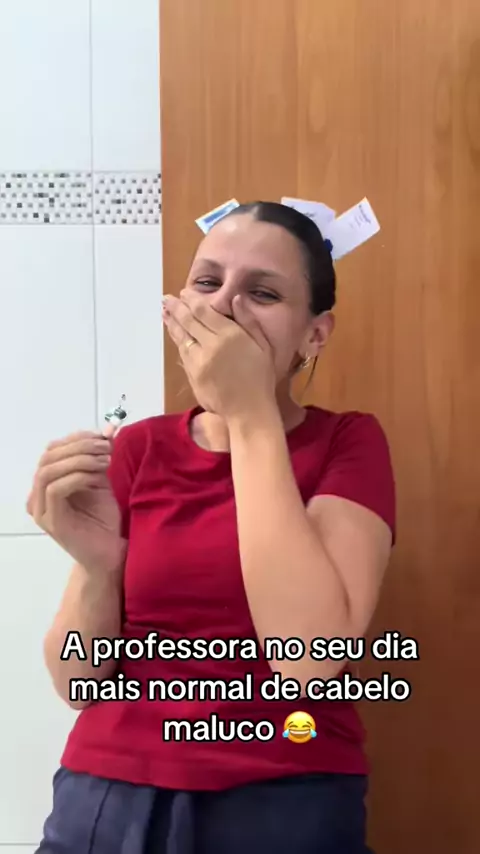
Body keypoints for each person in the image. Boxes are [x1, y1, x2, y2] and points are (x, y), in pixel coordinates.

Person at [29, 201, 396, 853]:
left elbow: (310, 661)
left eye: (263, 293)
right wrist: (98, 566)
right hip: (103, 796)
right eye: (207, 282)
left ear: (314, 335)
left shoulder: (348, 443)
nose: (224, 306)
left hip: (284, 794)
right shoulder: (139, 447)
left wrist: (250, 413)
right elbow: (76, 684)